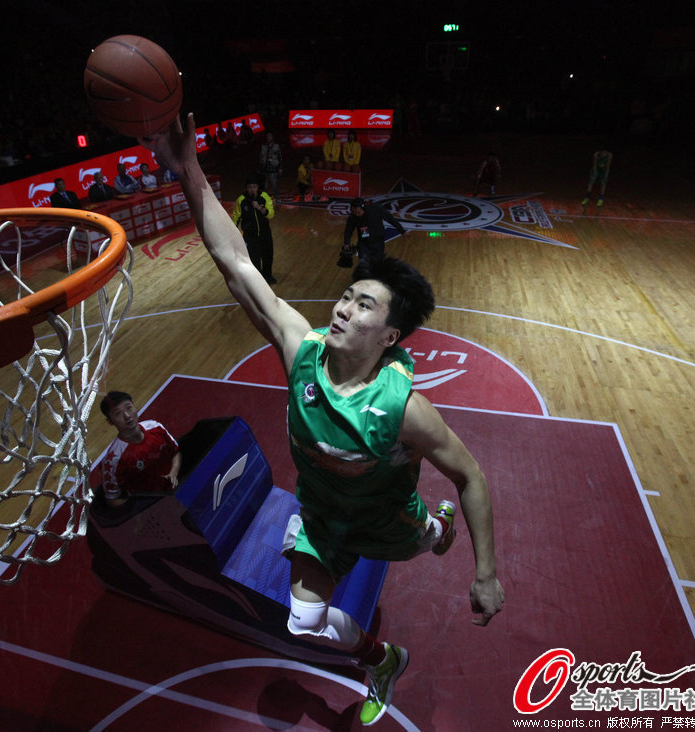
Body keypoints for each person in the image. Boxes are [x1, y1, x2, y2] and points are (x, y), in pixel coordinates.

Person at [144, 113, 503, 727]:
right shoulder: (300, 349)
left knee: (426, 542)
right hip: (322, 519)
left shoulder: (404, 409)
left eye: (364, 305)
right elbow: (235, 261)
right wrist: (189, 170)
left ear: (390, 335)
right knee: (301, 619)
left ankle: (435, 528)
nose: (342, 308)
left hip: (388, 521)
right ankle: (382, 658)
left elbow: (472, 477)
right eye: (346, 296)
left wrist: (487, 573)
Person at [96, 391, 182, 509]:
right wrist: (140, 507)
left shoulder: (155, 427)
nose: (127, 416)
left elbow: (175, 453)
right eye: (118, 414)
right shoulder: (113, 460)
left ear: (134, 406)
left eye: (129, 408)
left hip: (178, 492)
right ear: (110, 421)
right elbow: (113, 500)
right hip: (152, 510)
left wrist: (174, 472)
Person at [231, 175, 276, 284]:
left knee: (268, 256)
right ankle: (258, 280)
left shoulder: (264, 197)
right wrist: (233, 233)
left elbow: (271, 214)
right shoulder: (241, 200)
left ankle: (268, 276)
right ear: (246, 188)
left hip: (265, 233)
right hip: (250, 235)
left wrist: (259, 208)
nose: (252, 189)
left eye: (254, 187)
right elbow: (236, 217)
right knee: (253, 258)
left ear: (257, 187)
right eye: (250, 187)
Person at [343, 197, 405, 265]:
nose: (356, 214)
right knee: (363, 263)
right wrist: (346, 242)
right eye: (353, 212)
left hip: (378, 242)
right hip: (363, 242)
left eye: (358, 212)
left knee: (377, 263)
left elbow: (390, 219)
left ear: (363, 208)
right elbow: (348, 230)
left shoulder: (376, 209)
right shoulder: (352, 217)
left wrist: (402, 231)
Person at [259, 131, 283, 199]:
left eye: (270, 136)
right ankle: (264, 199)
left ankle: (277, 198)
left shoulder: (276, 146)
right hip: (265, 169)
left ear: (272, 137)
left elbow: (280, 157)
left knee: (275, 185)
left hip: (273, 168)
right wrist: (261, 168)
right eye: (267, 136)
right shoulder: (263, 146)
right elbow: (260, 158)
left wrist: (280, 167)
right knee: (265, 186)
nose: (269, 138)